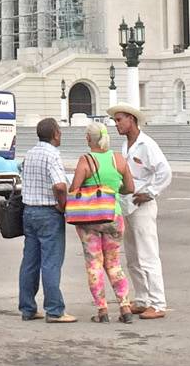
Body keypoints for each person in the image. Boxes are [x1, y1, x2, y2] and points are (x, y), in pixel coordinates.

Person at [70, 122, 137, 324]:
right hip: (113, 216)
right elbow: (130, 187)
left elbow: (74, 189)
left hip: (89, 218)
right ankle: (125, 306)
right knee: (114, 263)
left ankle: (102, 310)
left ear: (89, 139)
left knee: (94, 264)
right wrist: (113, 192)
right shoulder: (118, 159)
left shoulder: (85, 161)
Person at [109, 104, 171, 319]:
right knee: (133, 256)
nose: (116, 124)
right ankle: (142, 298)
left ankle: (158, 302)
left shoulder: (147, 144)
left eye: (119, 120)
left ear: (131, 120)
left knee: (148, 254)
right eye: (115, 120)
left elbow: (164, 172)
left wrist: (151, 192)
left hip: (142, 204)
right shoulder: (127, 145)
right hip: (128, 204)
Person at [17, 117, 75, 323]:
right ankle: (54, 309)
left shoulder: (30, 154)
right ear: (55, 134)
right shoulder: (52, 155)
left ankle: (27, 308)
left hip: (29, 212)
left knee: (30, 261)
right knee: (51, 262)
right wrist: (62, 205)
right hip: (48, 213)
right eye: (59, 131)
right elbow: (59, 185)